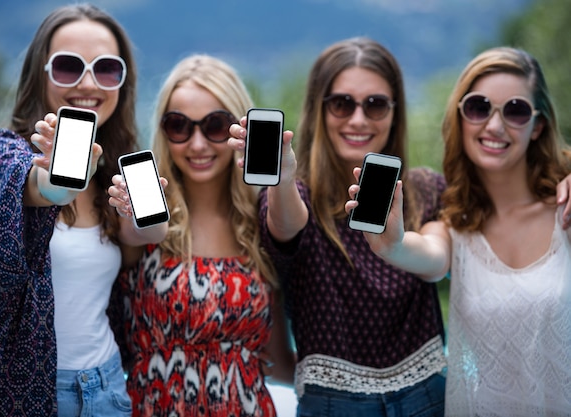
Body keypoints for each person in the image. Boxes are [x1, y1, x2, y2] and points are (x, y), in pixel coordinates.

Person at [0, 4, 167, 416]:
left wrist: (148, 220)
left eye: (106, 69)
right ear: (40, 74)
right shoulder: (0, 156)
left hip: (107, 391)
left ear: (123, 82)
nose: (88, 83)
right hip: (23, 398)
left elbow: (145, 238)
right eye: (68, 67)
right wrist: (62, 177)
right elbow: (47, 188)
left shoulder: (114, 175)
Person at [346, 46, 571, 415]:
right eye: (479, 107)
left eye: (514, 111)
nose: (495, 126)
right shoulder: (454, 227)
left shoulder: (566, 214)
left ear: (538, 126)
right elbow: (429, 258)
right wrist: (393, 245)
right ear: (461, 117)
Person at [229, 36, 447, 416]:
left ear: (395, 111)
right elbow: (286, 225)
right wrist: (281, 181)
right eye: (342, 104)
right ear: (319, 108)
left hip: (425, 397)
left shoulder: (426, 188)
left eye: (375, 104)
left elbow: (437, 262)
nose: (358, 119)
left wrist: (395, 245)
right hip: (332, 404)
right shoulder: (293, 195)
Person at [106, 54, 296, 416]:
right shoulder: (144, 208)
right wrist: (132, 213)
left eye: (215, 126)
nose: (196, 144)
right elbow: (135, 233)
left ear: (239, 130)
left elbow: (278, 361)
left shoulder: (262, 221)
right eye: (179, 125)